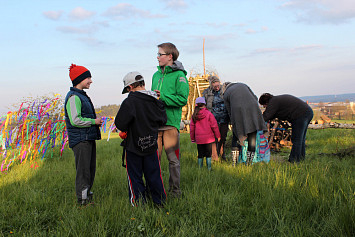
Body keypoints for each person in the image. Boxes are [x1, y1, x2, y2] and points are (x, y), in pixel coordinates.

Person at [115, 71, 167, 207]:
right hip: (151, 144)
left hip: (133, 146)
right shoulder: (155, 100)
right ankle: (159, 202)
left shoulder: (129, 102)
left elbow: (120, 123)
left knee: (135, 177)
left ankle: (139, 204)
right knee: (154, 175)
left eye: (127, 90)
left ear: (130, 87)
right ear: (143, 84)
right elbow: (162, 119)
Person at [151, 42, 189, 198]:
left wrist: (162, 97)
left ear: (170, 57)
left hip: (170, 125)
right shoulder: (155, 75)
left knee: (173, 160)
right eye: (158, 54)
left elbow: (182, 99)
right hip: (154, 125)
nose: (158, 57)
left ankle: (175, 192)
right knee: (154, 160)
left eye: (160, 54)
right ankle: (156, 191)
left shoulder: (180, 76)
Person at [64, 64, 102, 206]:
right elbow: (75, 120)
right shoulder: (74, 97)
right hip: (81, 140)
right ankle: (83, 201)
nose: (91, 81)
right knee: (83, 171)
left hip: (87, 138)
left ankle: (87, 196)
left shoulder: (81, 96)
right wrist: (94, 121)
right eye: (88, 77)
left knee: (90, 169)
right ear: (79, 79)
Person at [259, 93, 313, 163]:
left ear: (266, 102)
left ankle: (294, 161)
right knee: (300, 139)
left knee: (296, 139)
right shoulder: (276, 100)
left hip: (301, 115)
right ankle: (301, 158)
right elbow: (272, 114)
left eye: (264, 105)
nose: (264, 107)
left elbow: (266, 116)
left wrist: (256, 122)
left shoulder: (273, 102)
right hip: (307, 112)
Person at [223, 83, 268, 165]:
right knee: (252, 134)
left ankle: (234, 162)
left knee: (236, 136)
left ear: (225, 87)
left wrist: (233, 123)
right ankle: (249, 162)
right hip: (253, 108)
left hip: (237, 111)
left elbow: (229, 110)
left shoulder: (226, 93)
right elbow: (255, 97)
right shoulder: (243, 85)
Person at [202, 75, 229, 161]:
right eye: (215, 86)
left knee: (223, 137)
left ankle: (222, 154)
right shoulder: (206, 93)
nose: (217, 88)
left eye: (218, 86)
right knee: (214, 138)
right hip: (213, 119)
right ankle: (214, 156)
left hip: (224, 118)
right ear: (211, 85)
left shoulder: (224, 90)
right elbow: (204, 105)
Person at [190, 97, 221, 170]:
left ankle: (200, 169)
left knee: (200, 154)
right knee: (208, 154)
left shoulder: (194, 115)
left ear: (196, 105)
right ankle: (209, 169)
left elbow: (192, 128)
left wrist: (193, 139)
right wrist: (218, 136)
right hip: (209, 139)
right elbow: (214, 126)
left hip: (199, 139)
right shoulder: (209, 114)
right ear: (205, 104)